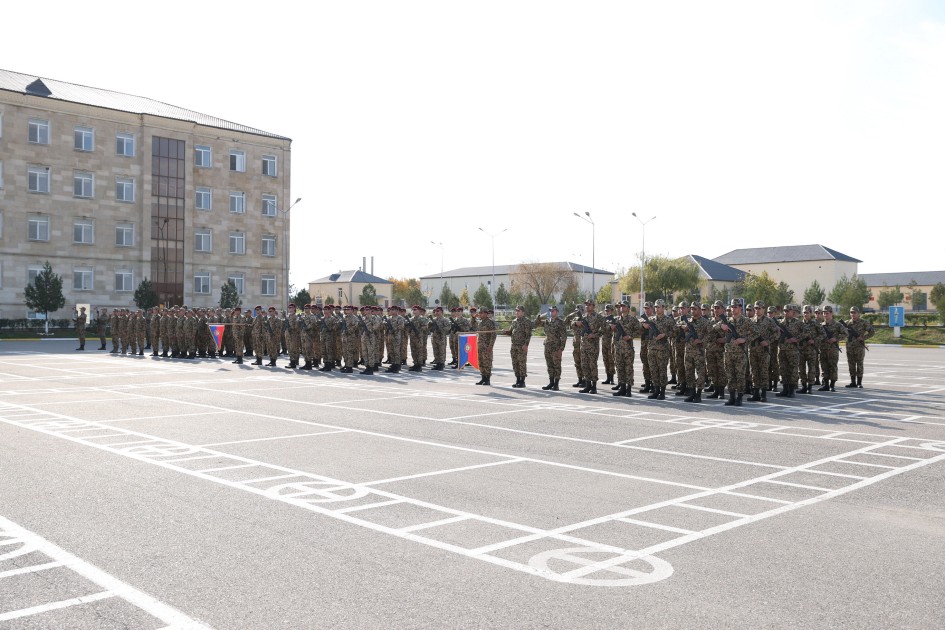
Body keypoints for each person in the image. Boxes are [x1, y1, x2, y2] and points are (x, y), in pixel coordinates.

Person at [716, 299, 753, 406]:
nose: (733, 308)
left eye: (735, 306)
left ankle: (740, 397)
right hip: (728, 353)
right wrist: (721, 326)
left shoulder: (746, 321)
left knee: (740, 376)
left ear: (740, 308)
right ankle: (732, 397)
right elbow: (712, 327)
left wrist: (744, 339)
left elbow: (756, 333)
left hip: (740, 353)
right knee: (730, 375)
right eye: (732, 307)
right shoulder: (727, 320)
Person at [577, 300, 606, 394]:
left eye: (589, 305)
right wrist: (576, 324)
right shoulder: (583, 317)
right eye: (586, 305)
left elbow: (605, 328)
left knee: (592, 365)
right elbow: (573, 325)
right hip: (584, 345)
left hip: (593, 345)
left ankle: (594, 386)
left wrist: (595, 335)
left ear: (593, 306)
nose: (587, 306)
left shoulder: (598, 317)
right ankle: (587, 385)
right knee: (584, 365)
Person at [612, 302, 641, 397]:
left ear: (628, 308)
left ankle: (628, 389)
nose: (621, 308)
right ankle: (622, 388)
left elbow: (639, 331)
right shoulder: (616, 320)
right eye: (620, 306)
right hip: (618, 348)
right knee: (619, 368)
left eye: (624, 306)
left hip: (628, 348)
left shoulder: (632, 320)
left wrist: (630, 336)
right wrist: (611, 328)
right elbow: (607, 329)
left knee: (628, 369)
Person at [535, 305, 567, 391]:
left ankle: (556, 384)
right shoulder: (546, 321)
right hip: (547, 345)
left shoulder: (560, 322)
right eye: (550, 311)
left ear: (557, 312)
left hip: (556, 346)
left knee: (556, 365)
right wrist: (540, 316)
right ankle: (551, 382)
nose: (551, 312)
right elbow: (536, 323)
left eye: (553, 311)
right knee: (549, 365)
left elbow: (564, 336)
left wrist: (561, 348)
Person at [844, 306, 874, 388]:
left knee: (859, 364)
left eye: (854, 312)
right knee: (851, 364)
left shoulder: (864, 322)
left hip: (859, 347)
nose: (853, 314)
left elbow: (872, 332)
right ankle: (853, 382)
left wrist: (863, 338)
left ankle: (859, 382)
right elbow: (841, 332)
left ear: (858, 313)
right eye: (851, 312)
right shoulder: (847, 323)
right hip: (849, 347)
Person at [818, 306, 845, 391]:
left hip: (833, 349)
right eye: (824, 313)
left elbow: (845, 333)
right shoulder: (821, 325)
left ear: (831, 313)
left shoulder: (837, 325)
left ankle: (832, 385)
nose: (825, 315)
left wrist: (836, 338)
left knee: (833, 367)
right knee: (824, 367)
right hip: (823, 349)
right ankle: (826, 385)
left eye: (827, 313)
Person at [505, 305, 533, 388]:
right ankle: (517, 380)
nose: (516, 312)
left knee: (522, 363)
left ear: (523, 312)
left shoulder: (526, 321)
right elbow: (511, 331)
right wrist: (506, 332)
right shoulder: (514, 321)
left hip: (521, 346)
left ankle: (522, 381)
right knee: (515, 363)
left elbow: (528, 335)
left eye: (518, 311)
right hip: (514, 345)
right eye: (516, 311)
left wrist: (526, 345)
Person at [476, 309, 498, 386]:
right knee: (481, 362)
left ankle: (487, 379)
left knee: (487, 363)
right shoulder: (480, 323)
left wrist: (490, 346)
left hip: (486, 346)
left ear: (485, 314)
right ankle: (483, 378)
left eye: (481, 313)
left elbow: (493, 335)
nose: (480, 314)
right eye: (479, 313)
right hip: (480, 346)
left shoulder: (490, 323)